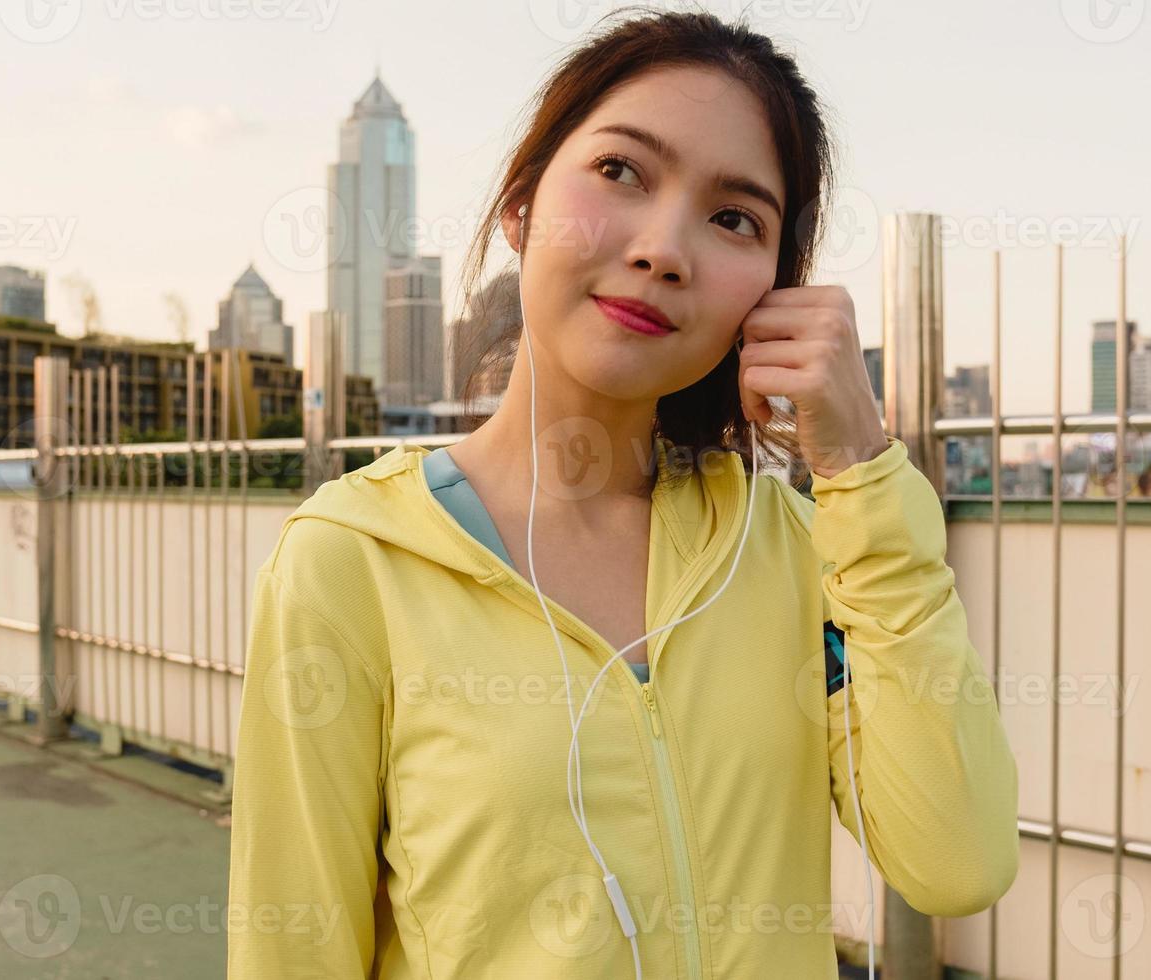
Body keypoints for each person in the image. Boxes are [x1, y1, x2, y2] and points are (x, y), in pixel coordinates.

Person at [229, 10, 1018, 977]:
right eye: (620, 172)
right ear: (521, 206)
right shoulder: (352, 558)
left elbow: (956, 861)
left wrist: (858, 464)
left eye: (734, 217)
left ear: (770, 288)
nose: (663, 247)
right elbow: (290, 947)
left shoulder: (793, 547)